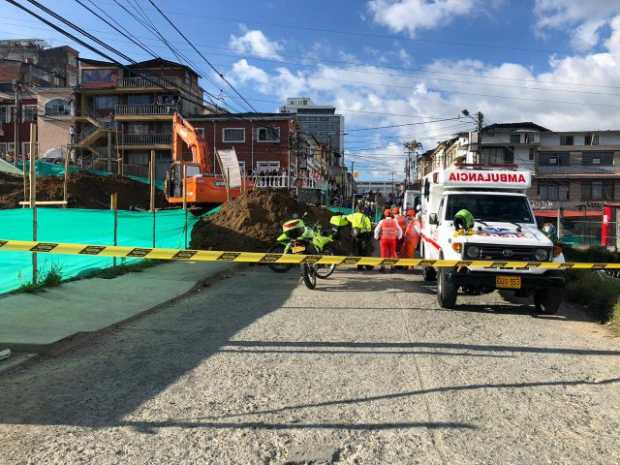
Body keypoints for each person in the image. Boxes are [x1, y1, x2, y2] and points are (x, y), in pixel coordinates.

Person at [346, 204, 373, 270]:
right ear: (362, 210)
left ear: (356, 210)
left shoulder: (352, 216)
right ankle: (366, 265)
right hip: (363, 236)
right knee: (364, 251)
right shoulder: (365, 217)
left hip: (354, 236)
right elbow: (369, 228)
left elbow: (345, 218)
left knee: (357, 251)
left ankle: (359, 266)